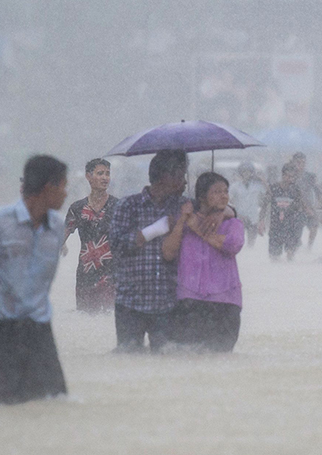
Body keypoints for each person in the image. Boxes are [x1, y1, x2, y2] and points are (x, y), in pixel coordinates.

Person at [0, 155, 70, 406]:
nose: (66, 193)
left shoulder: (57, 228)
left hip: (40, 333)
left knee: (54, 408)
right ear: (47, 188)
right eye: (63, 186)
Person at [108, 150, 191, 352]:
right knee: (128, 362)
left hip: (168, 303)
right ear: (165, 177)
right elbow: (116, 246)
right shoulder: (128, 205)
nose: (185, 181)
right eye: (180, 175)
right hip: (130, 303)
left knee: (167, 366)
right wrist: (155, 230)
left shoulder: (183, 206)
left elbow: (215, 211)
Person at [165, 172, 245, 352]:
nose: (224, 195)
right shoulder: (185, 220)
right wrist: (183, 222)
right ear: (202, 197)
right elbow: (168, 253)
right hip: (189, 300)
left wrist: (198, 229)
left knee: (220, 360)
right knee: (186, 358)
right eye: (217, 192)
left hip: (225, 302)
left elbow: (232, 245)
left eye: (226, 191)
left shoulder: (233, 224)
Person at [62, 158, 119, 313]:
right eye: (100, 173)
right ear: (88, 176)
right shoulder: (77, 208)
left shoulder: (118, 206)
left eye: (107, 174)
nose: (105, 178)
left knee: (110, 320)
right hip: (86, 275)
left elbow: (130, 239)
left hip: (112, 275)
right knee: (86, 319)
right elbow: (61, 236)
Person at [262, 162, 308, 261]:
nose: (291, 179)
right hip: (275, 227)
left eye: (293, 177)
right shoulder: (273, 188)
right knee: (274, 257)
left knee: (290, 256)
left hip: (291, 227)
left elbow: (301, 207)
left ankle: (289, 274)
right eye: (288, 176)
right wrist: (261, 222)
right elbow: (264, 206)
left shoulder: (296, 189)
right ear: (283, 175)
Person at [227, 162, 267, 248]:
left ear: (252, 173)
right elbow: (228, 200)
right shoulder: (235, 186)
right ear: (240, 173)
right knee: (239, 240)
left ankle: (250, 256)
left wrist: (263, 180)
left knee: (252, 241)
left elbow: (267, 193)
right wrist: (235, 212)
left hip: (253, 216)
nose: (246, 174)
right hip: (240, 216)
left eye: (248, 172)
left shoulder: (258, 185)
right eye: (244, 172)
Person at [291, 152, 320, 249]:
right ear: (293, 163)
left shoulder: (309, 176)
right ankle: (296, 245)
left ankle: (309, 247)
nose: (300, 165)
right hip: (294, 208)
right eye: (298, 162)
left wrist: (319, 204)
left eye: (303, 162)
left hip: (309, 206)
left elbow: (316, 190)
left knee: (314, 226)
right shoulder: (289, 175)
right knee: (296, 230)